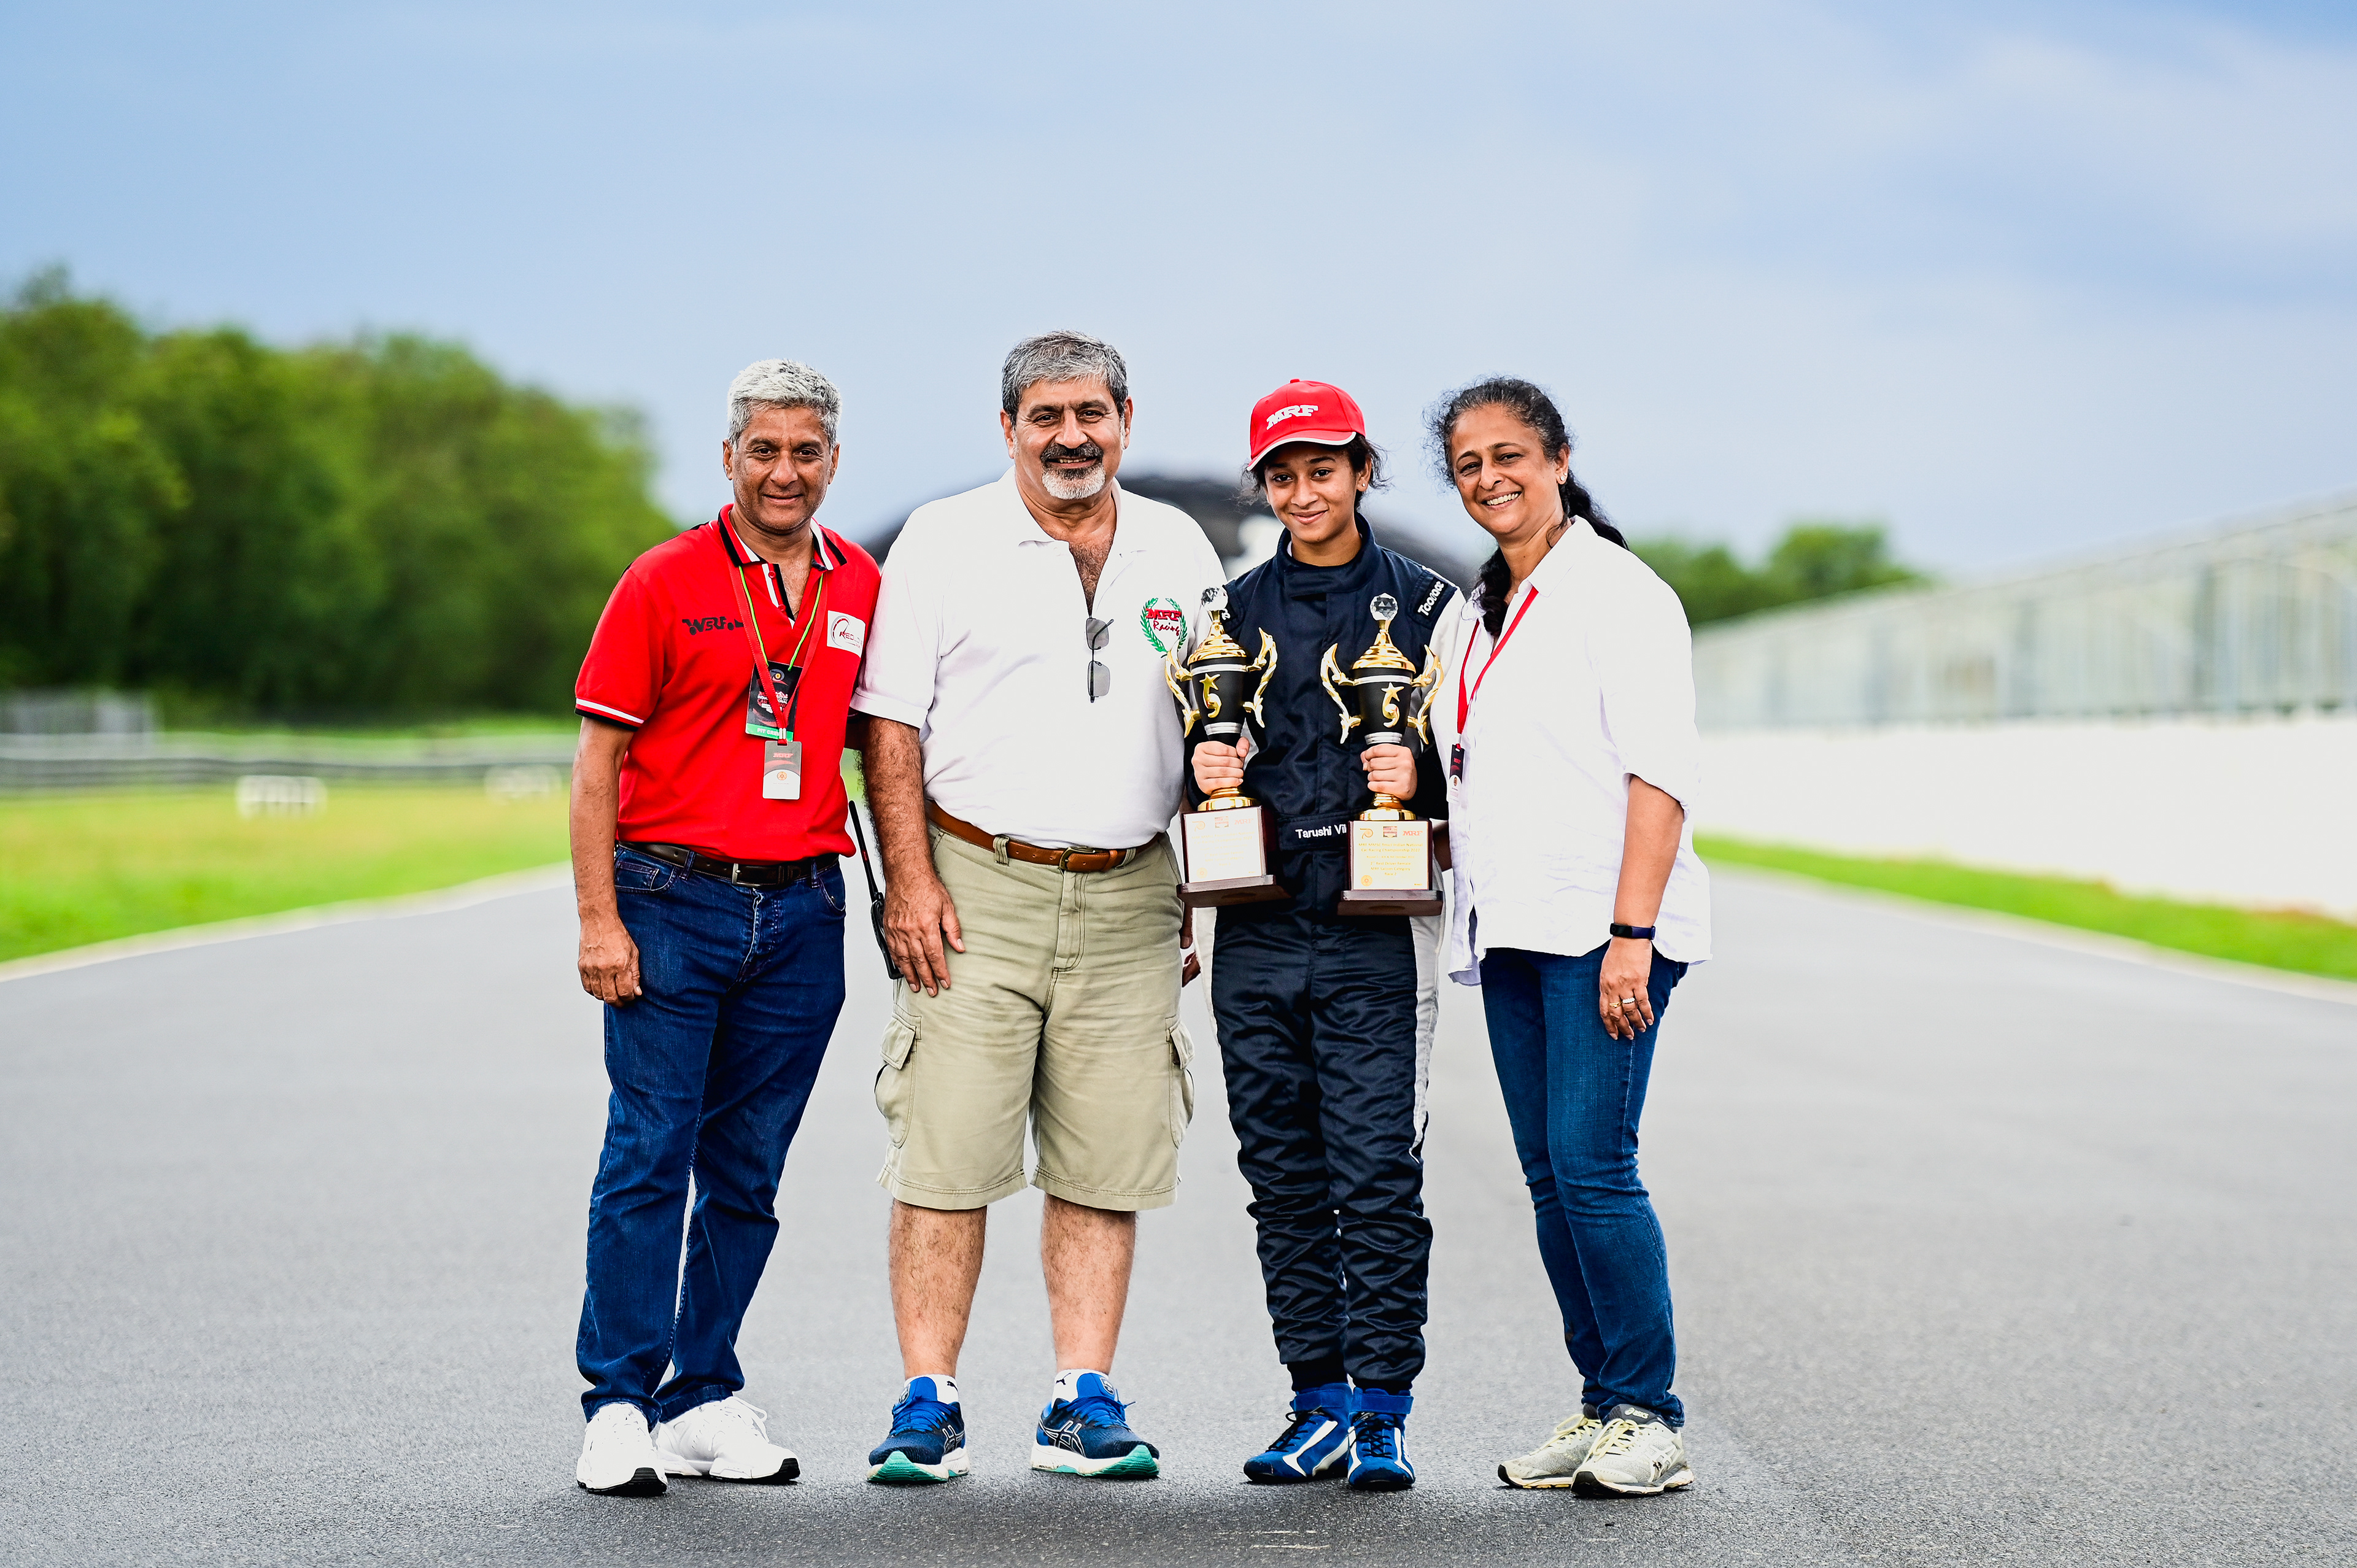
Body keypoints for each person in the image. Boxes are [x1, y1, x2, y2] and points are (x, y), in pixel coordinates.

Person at [850, 330, 1225, 1484]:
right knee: (946, 1153)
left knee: (1104, 1159)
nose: (1072, 438)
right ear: (1008, 427)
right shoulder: (943, 537)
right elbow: (890, 725)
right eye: (1046, 417)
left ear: (1125, 421)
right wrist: (909, 882)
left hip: (1131, 889)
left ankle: (1080, 1397)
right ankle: (928, 1401)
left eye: (1091, 415)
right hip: (976, 885)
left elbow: (1212, 719)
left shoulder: (1178, 543)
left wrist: (1193, 880)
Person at [566, 360, 881, 1497]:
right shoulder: (664, 579)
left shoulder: (860, 583)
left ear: (833, 460)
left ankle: (700, 1396)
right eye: (764, 451)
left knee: (747, 1170)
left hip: (803, 908)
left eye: (805, 452)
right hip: (671, 898)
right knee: (650, 1152)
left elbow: (892, 746)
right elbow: (596, 763)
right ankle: (617, 1402)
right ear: (729, 457)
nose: (784, 472)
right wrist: (599, 918)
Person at [1427, 376, 1711, 1496]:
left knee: (1596, 1169)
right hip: (1513, 927)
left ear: (1557, 459)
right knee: (1550, 1177)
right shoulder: (1474, 611)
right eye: (1469, 465)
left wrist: (1632, 933)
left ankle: (1651, 1415)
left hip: (1604, 928)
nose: (1490, 478)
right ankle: (1602, 1405)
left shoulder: (1619, 594)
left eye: (1510, 455)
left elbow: (1660, 777)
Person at [1186, 381, 1460, 1491]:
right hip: (1257, 924)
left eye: (1324, 470)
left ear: (1362, 471)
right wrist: (1204, 770)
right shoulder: (1224, 612)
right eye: (1285, 475)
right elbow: (1181, 767)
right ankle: (1318, 1400)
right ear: (1264, 485)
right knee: (1283, 1175)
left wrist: (1420, 775)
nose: (1305, 492)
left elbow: (1480, 769)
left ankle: (1385, 1407)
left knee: (1376, 1172)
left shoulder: (1434, 607)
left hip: (1372, 931)